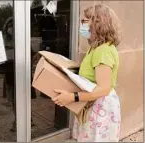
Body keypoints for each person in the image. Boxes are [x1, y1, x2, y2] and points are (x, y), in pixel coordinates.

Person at [52, 4, 121, 142]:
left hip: (100, 108)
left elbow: (103, 89)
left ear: (98, 23)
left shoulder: (103, 51)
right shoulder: (96, 48)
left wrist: (72, 97)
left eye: (84, 21)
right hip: (93, 104)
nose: (81, 25)